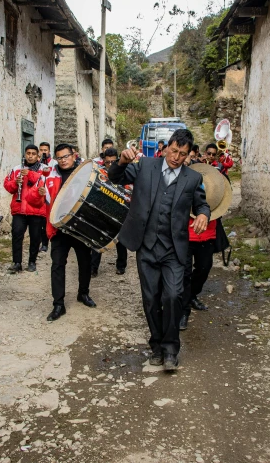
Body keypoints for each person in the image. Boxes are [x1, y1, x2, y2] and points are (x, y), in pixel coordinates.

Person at [108, 129, 210, 371]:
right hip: (146, 245)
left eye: (182, 154)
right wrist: (122, 160)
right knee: (151, 298)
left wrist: (204, 214)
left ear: (188, 156)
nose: (176, 157)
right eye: (174, 151)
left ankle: (171, 349)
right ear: (166, 148)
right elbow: (115, 177)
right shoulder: (144, 166)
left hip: (174, 249)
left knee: (173, 296)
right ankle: (156, 347)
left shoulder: (192, 179)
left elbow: (202, 203)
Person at [32, 143, 96, 321]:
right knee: (57, 265)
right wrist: (39, 194)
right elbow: (37, 201)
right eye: (59, 158)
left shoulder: (85, 172)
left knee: (85, 263)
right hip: (59, 228)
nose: (63, 160)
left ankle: (83, 293)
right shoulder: (49, 175)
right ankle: (58, 304)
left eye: (66, 156)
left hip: (80, 227)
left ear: (73, 155)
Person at [3, 145, 47, 273]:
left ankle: (32, 261)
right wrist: (15, 183)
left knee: (35, 237)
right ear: (25, 154)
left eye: (33, 153)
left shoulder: (44, 169)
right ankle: (17, 262)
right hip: (19, 209)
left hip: (36, 210)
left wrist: (30, 174)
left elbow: (44, 183)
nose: (30, 156)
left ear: (38, 156)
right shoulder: (16, 169)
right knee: (17, 235)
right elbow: (8, 186)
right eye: (28, 153)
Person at [90, 147, 128, 277]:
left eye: (113, 162)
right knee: (97, 237)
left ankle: (121, 266)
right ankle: (93, 268)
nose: (110, 165)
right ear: (104, 161)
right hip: (102, 208)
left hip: (119, 209)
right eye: (107, 162)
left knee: (121, 239)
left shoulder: (124, 171)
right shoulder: (99, 171)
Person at [38, 142, 55, 253]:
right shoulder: (37, 164)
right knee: (41, 222)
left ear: (49, 151)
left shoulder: (54, 163)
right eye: (41, 150)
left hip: (51, 193)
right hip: (41, 194)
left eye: (45, 150)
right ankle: (44, 244)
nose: (43, 152)